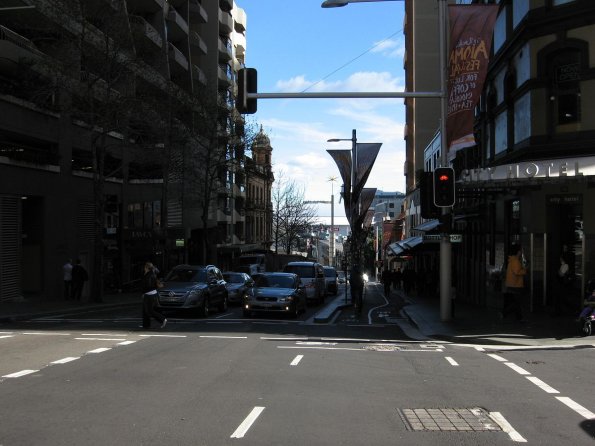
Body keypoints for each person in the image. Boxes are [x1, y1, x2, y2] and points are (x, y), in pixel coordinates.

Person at [501, 244, 527, 322]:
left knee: (517, 302)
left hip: (512, 284)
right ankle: (504, 313)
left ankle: (519, 318)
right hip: (516, 284)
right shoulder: (515, 261)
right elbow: (516, 272)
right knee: (517, 302)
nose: (522, 252)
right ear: (518, 252)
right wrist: (525, 270)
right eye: (521, 250)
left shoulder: (512, 260)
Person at [141, 262, 167, 329]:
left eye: (144, 267)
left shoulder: (149, 275)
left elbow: (149, 285)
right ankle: (146, 325)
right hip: (151, 293)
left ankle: (162, 319)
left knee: (149, 311)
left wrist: (144, 292)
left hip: (149, 294)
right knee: (145, 310)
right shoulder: (152, 273)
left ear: (146, 268)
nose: (144, 268)